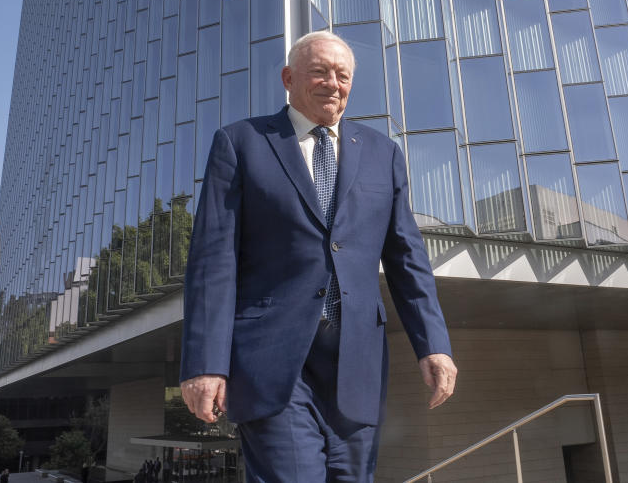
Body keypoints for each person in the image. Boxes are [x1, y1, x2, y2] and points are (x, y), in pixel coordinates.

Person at [179, 31, 457, 481]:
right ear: (289, 77)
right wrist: (205, 364)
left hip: (357, 363)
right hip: (273, 363)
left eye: (342, 75)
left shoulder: (383, 154)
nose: (333, 82)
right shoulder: (241, 143)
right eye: (319, 72)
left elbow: (408, 257)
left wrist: (434, 344)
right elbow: (213, 260)